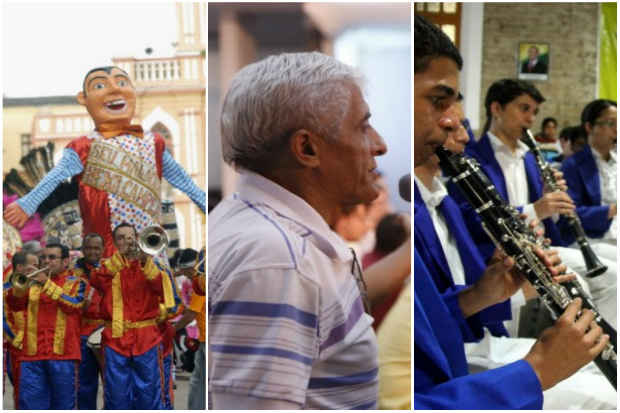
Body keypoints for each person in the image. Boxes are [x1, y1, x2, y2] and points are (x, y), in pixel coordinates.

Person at [413, 14, 609, 409]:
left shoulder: (438, 190)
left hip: (467, 342)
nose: (461, 134)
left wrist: (484, 293)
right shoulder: (431, 188)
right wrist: (536, 369)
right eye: (439, 103)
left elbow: (432, 319)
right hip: (460, 371)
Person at [209, 51, 411, 409]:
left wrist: (411, 250)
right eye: (362, 126)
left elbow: (332, 309)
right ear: (307, 148)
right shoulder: (280, 258)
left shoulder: (277, 231)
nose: (379, 144)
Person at [458, 79, 617, 330]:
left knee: (613, 278)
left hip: (541, 247)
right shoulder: (473, 158)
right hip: (501, 255)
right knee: (585, 287)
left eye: (534, 112)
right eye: (524, 109)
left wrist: (551, 204)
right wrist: (537, 209)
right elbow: (469, 217)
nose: (531, 119)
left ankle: (607, 352)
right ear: (496, 109)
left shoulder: (531, 157)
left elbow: (553, 219)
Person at [3, 66, 206, 258]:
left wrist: (202, 199)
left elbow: (179, 176)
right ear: (83, 99)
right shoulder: (82, 147)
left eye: (122, 83)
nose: (114, 89)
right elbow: (55, 177)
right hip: (106, 252)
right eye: (100, 85)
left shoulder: (153, 142)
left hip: (150, 250)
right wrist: (28, 204)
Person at [89, 222, 176, 409]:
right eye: (121, 238)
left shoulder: (154, 266)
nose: (127, 242)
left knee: (149, 393)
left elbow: (165, 292)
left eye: (130, 237)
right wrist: (119, 260)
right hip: (115, 339)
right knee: (116, 394)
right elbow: (96, 281)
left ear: (138, 239)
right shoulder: (108, 266)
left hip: (147, 338)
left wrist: (146, 261)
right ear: (114, 242)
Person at [6, 243, 90, 409]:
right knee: (29, 407)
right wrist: (20, 287)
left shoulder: (77, 283)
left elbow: (74, 306)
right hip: (31, 356)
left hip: (63, 356)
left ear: (65, 261)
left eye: (52, 257)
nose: (46, 261)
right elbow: (15, 305)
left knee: (64, 406)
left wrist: (47, 284)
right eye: (43, 257)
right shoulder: (32, 283)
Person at [561, 100, 617, 244]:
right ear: (589, 127)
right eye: (611, 123)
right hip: (595, 238)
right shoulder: (572, 165)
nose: (617, 129)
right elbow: (570, 214)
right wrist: (612, 210)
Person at [72, 232, 104, 410]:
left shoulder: (110, 269)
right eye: (89, 248)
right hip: (83, 335)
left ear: (103, 250)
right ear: (83, 249)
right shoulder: (73, 273)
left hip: (108, 333)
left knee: (114, 385)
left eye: (96, 248)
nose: (92, 252)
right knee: (84, 385)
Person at [173, 248, 206, 410]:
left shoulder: (200, 281)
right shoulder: (197, 280)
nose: (184, 275)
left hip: (207, 340)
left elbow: (191, 314)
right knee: (198, 381)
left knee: (200, 383)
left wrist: (172, 330)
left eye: (185, 271)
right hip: (203, 338)